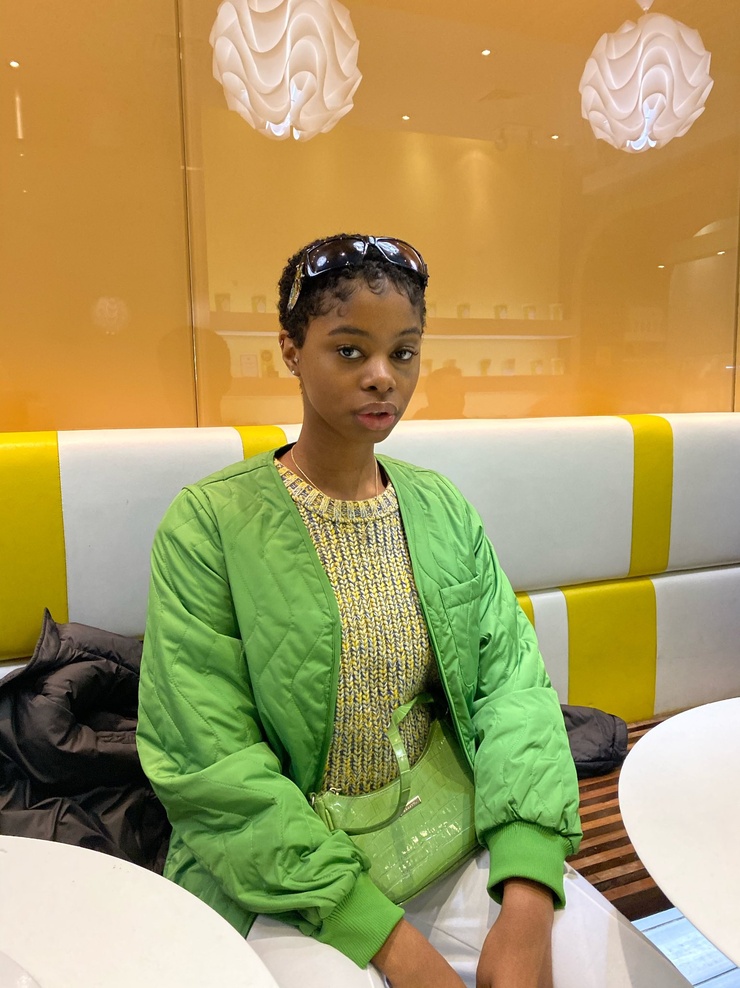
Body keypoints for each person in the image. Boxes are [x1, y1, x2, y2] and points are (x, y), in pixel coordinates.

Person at [136, 235, 689, 988]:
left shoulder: (438, 507)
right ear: (291, 350)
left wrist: (527, 904)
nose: (381, 377)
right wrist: (400, 952)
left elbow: (513, 691)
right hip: (290, 882)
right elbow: (211, 765)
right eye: (349, 350)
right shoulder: (209, 525)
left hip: (446, 835)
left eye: (403, 353)